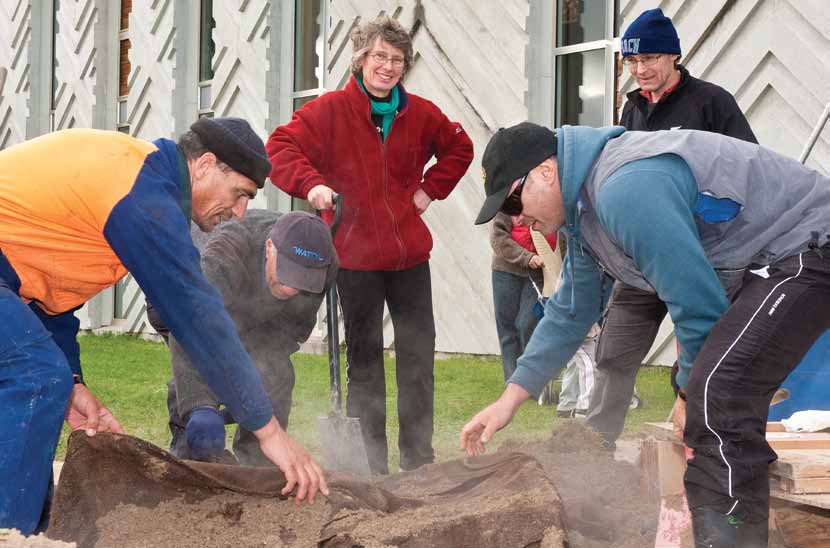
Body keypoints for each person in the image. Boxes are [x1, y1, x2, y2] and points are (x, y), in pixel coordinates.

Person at [462, 121, 830, 547]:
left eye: (512, 200)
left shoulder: (624, 189)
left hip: (812, 244)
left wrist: (687, 396)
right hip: (774, 260)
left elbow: (697, 305)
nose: (516, 217)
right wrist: (509, 400)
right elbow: (570, 312)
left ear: (546, 171)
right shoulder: (585, 214)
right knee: (715, 392)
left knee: (716, 392)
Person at [0, 118, 328, 535]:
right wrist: (268, 431)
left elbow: (51, 294)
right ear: (206, 164)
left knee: (46, 381)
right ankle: (9, 532)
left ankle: (22, 524)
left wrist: (74, 380)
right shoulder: (141, 193)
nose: (241, 212)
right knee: (36, 375)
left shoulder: (136, 186)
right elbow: (196, 316)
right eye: (240, 194)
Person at [267, 15, 473, 474]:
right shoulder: (329, 112)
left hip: (408, 259)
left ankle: (419, 460)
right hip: (355, 259)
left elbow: (460, 148)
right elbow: (278, 148)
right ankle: (372, 465)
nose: (388, 67)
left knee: (418, 356)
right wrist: (313, 184)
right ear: (360, 59)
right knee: (364, 358)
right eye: (380, 56)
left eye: (397, 59)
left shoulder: (419, 113)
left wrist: (427, 190)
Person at [586, 7, 758, 447]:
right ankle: (594, 448)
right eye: (632, 62)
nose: (640, 70)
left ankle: (705, 446)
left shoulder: (712, 102)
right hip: (643, 255)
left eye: (650, 60)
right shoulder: (632, 109)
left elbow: (748, 165)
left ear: (673, 57)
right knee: (614, 353)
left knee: (703, 354)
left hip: (702, 255)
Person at [149, 210, 337, 466]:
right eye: (286, 274)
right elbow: (191, 324)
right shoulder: (228, 251)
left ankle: (258, 464)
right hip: (175, 293)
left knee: (276, 374)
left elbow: (292, 330)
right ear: (270, 248)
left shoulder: (324, 265)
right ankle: (191, 462)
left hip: (252, 315)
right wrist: (201, 405)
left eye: (302, 281)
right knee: (197, 379)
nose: (293, 289)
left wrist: (255, 381)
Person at [490, 212, 551, 382]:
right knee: (507, 330)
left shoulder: (544, 200)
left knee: (528, 323)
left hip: (538, 273)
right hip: (505, 271)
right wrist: (526, 257)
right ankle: (513, 382)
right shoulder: (508, 201)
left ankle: (530, 379)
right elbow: (498, 238)